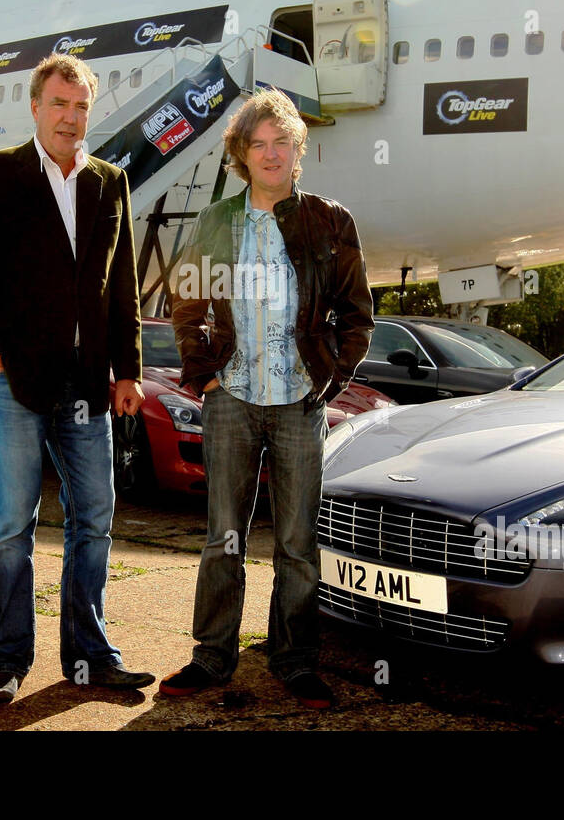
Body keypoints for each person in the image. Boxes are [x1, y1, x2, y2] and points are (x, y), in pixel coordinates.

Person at [0, 53, 153, 703]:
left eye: (81, 105)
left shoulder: (110, 181)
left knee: (96, 516)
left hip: (88, 385)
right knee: (12, 524)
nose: (70, 116)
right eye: (59, 104)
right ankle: (5, 660)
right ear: (36, 107)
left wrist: (129, 370)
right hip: (17, 382)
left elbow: (123, 289)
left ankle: (91, 654)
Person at [160, 87, 373, 709]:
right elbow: (187, 300)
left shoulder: (329, 221)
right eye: (260, 144)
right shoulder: (217, 221)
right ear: (242, 153)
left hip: (299, 402)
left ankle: (295, 661)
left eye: (283, 142)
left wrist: (327, 379)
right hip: (232, 398)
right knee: (223, 534)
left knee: (297, 544)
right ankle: (212, 657)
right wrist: (205, 374)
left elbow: (356, 313)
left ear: (297, 151)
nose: (272, 153)